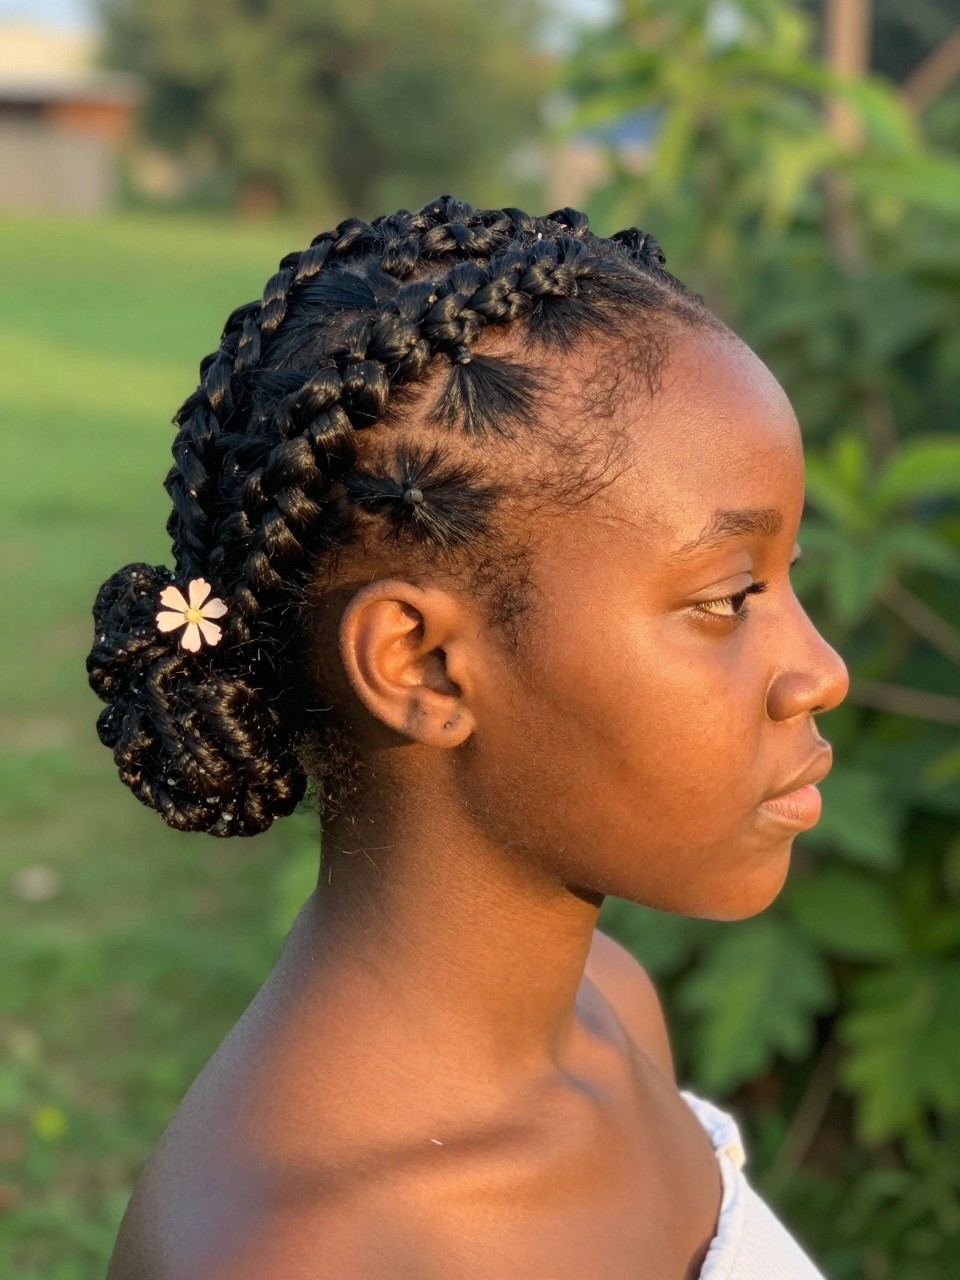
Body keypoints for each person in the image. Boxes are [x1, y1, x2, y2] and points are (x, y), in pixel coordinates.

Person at [89, 195, 849, 1279]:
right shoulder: (306, 1253)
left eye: (791, 577)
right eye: (730, 597)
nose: (823, 670)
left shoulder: (613, 1008)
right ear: (421, 662)